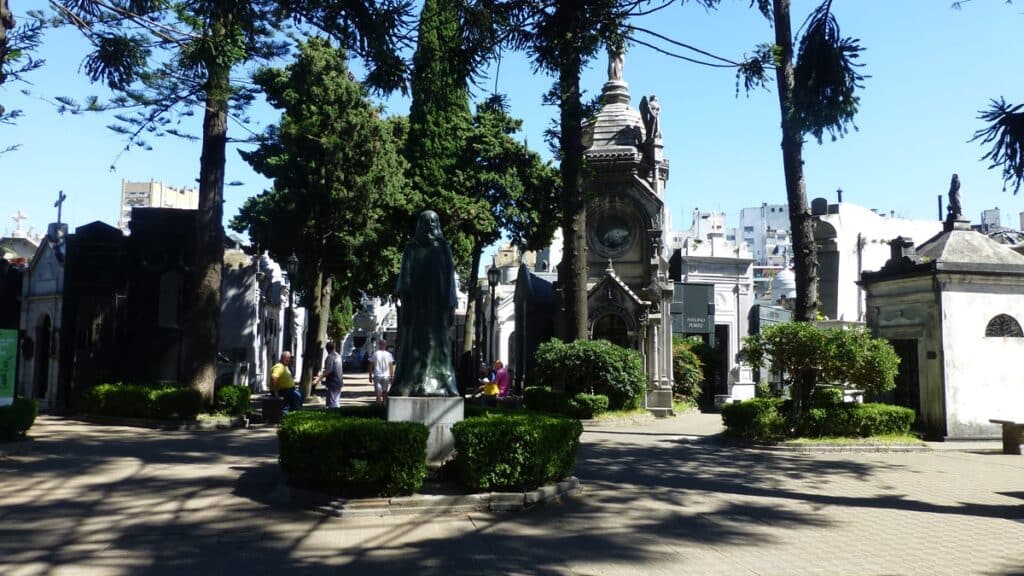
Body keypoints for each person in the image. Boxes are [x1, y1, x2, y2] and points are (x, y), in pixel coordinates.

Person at [390, 210, 460, 397]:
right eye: (427, 221)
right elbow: (404, 279)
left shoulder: (443, 247)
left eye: (434, 221)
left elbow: (450, 280)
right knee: (415, 344)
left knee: (439, 345)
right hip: (417, 306)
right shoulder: (411, 248)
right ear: (421, 224)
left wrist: (452, 305)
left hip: (438, 307)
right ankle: (412, 382)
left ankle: (443, 382)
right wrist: (405, 304)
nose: (430, 225)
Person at [313, 342, 343, 408]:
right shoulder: (338, 356)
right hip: (339, 381)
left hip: (333, 382)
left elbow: (329, 370)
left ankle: (332, 415)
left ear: (326, 349)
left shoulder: (330, 357)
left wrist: (319, 378)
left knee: (332, 403)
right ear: (334, 348)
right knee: (336, 401)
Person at [368, 339, 395, 404]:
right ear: (385, 345)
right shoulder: (389, 354)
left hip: (377, 375)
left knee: (378, 393)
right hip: (386, 375)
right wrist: (391, 376)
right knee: (385, 392)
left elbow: (371, 365)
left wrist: (370, 376)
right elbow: (391, 366)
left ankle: (378, 405)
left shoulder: (375, 354)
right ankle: (384, 404)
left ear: (379, 345)